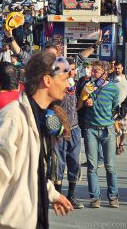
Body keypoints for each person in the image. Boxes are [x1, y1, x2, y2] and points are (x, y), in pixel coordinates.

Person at [0, 52, 73, 229]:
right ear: (47, 80)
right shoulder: (12, 116)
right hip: (12, 222)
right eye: (64, 79)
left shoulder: (37, 116)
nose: (68, 85)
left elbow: (31, 168)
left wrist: (52, 193)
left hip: (34, 220)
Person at [77, 60, 119, 208]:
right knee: (92, 166)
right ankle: (95, 197)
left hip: (108, 130)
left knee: (110, 166)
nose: (92, 73)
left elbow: (115, 108)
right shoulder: (87, 86)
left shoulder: (113, 89)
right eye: (92, 70)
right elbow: (78, 106)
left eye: (95, 71)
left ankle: (113, 196)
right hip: (90, 129)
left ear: (104, 73)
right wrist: (84, 98)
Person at [53, 58, 84, 209]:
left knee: (74, 162)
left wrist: (86, 102)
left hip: (75, 128)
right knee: (58, 164)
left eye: (73, 69)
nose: (71, 72)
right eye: (68, 69)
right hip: (59, 130)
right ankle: (58, 197)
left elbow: (80, 102)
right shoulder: (56, 84)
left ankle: (71, 196)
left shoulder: (79, 83)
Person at [109, 61, 127, 154]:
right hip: (114, 107)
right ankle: (116, 147)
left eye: (118, 68)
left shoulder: (126, 78)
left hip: (125, 107)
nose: (117, 70)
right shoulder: (111, 79)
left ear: (122, 68)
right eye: (115, 68)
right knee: (116, 128)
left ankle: (121, 144)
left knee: (124, 129)